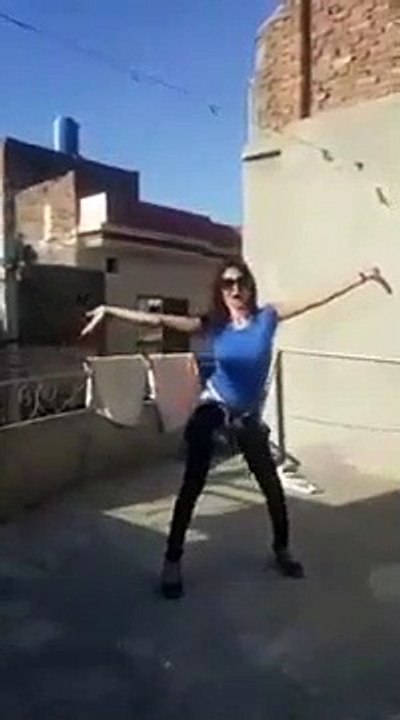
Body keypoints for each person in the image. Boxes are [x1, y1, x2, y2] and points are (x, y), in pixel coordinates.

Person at [81, 261, 392, 599]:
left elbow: (316, 299)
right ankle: (172, 560)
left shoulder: (267, 318)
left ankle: (282, 550)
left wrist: (361, 278)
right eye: (228, 284)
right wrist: (110, 311)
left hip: (246, 416)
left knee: (272, 486)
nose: (235, 289)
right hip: (215, 406)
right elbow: (158, 319)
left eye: (241, 282)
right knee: (193, 483)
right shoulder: (215, 325)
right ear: (221, 291)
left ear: (250, 286)